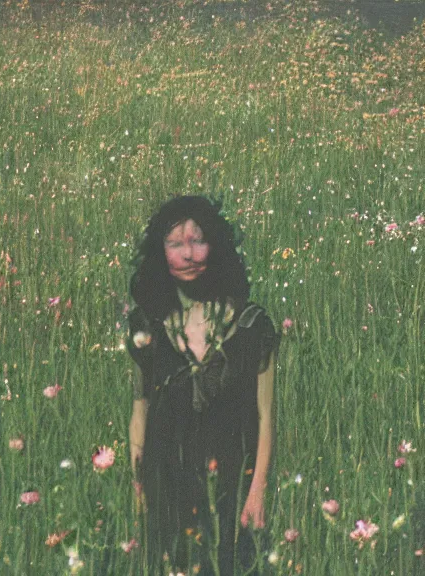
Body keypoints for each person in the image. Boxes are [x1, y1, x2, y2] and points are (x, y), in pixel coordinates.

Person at [127, 196, 280, 575]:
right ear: (160, 254)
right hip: (168, 482)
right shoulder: (148, 326)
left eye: (198, 241)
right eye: (175, 244)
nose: (189, 255)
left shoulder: (251, 325)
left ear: (217, 245)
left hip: (230, 483)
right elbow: (139, 409)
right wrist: (138, 485)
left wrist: (257, 491)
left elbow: (266, 417)